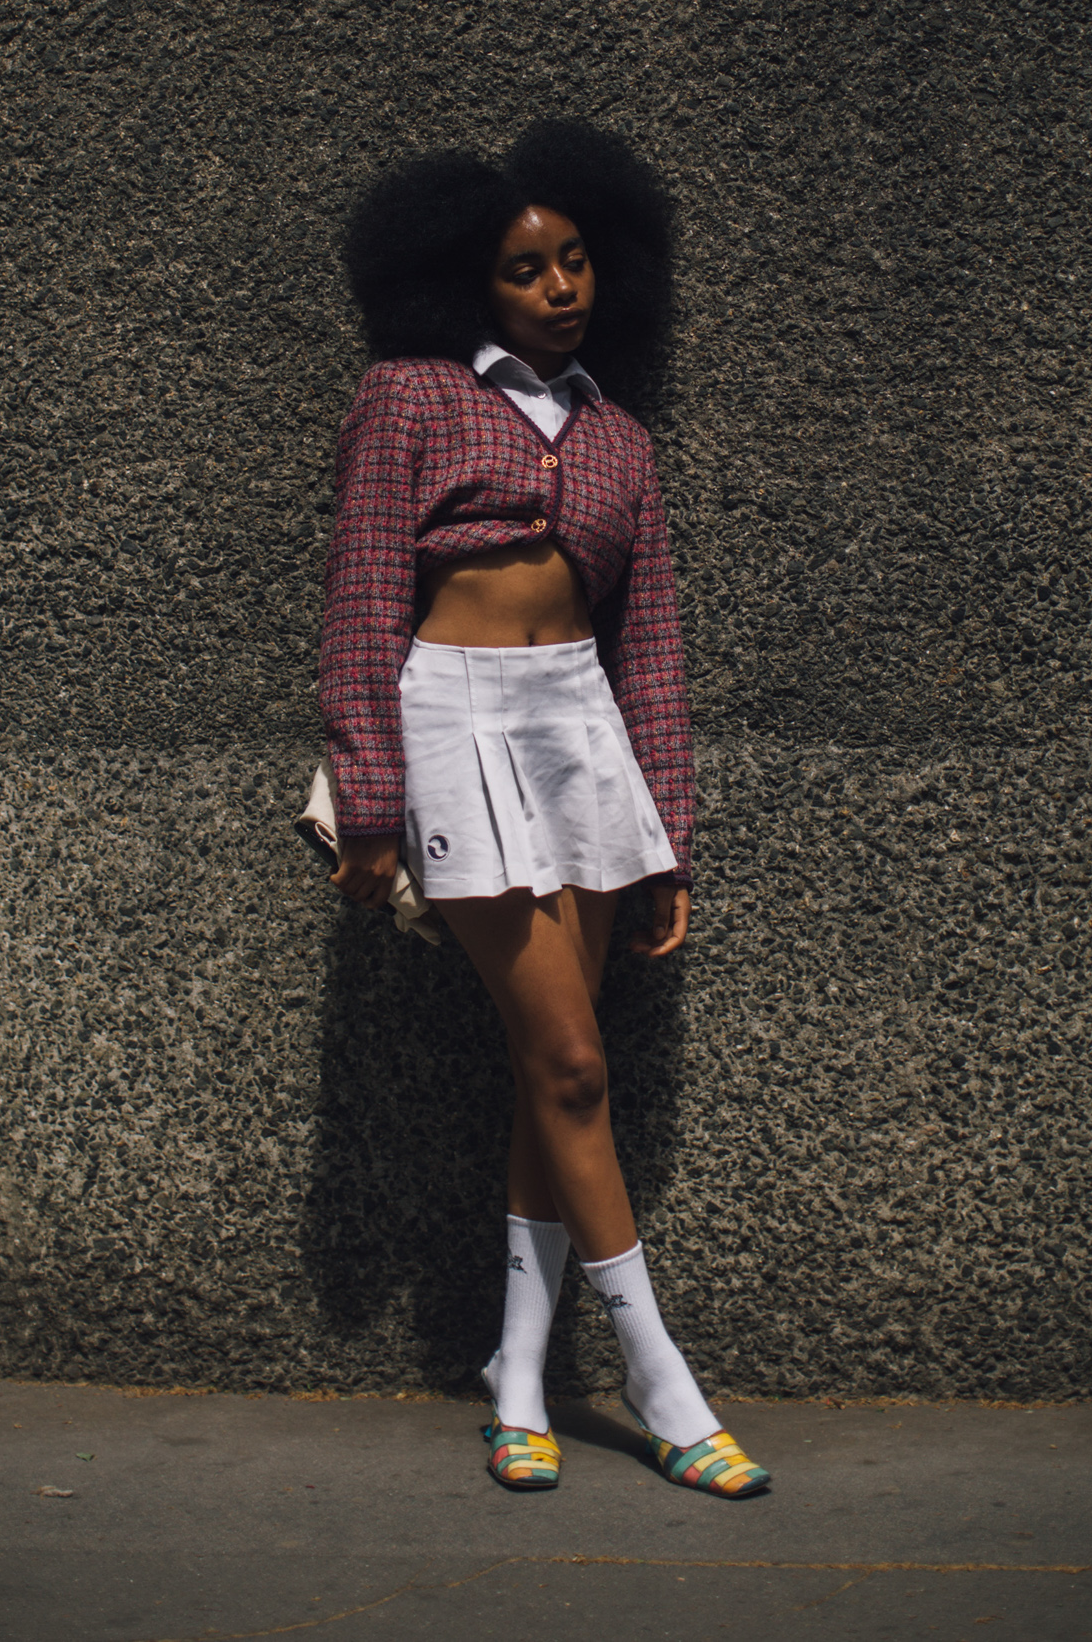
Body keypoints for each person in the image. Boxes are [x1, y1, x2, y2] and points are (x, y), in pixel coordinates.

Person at [318, 119, 769, 1499]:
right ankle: (657, 1377)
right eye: (526, 267)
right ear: (470, 278)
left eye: (576, 259)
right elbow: (362, 597)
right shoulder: (406, 396)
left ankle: (518, 1381)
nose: (560, 286)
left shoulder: (623, 439)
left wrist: (668, 834)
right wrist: (369, 800)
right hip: (453, 723)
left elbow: (652, 646)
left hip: (585, 733)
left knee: (550, 1071)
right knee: (573, 1065)